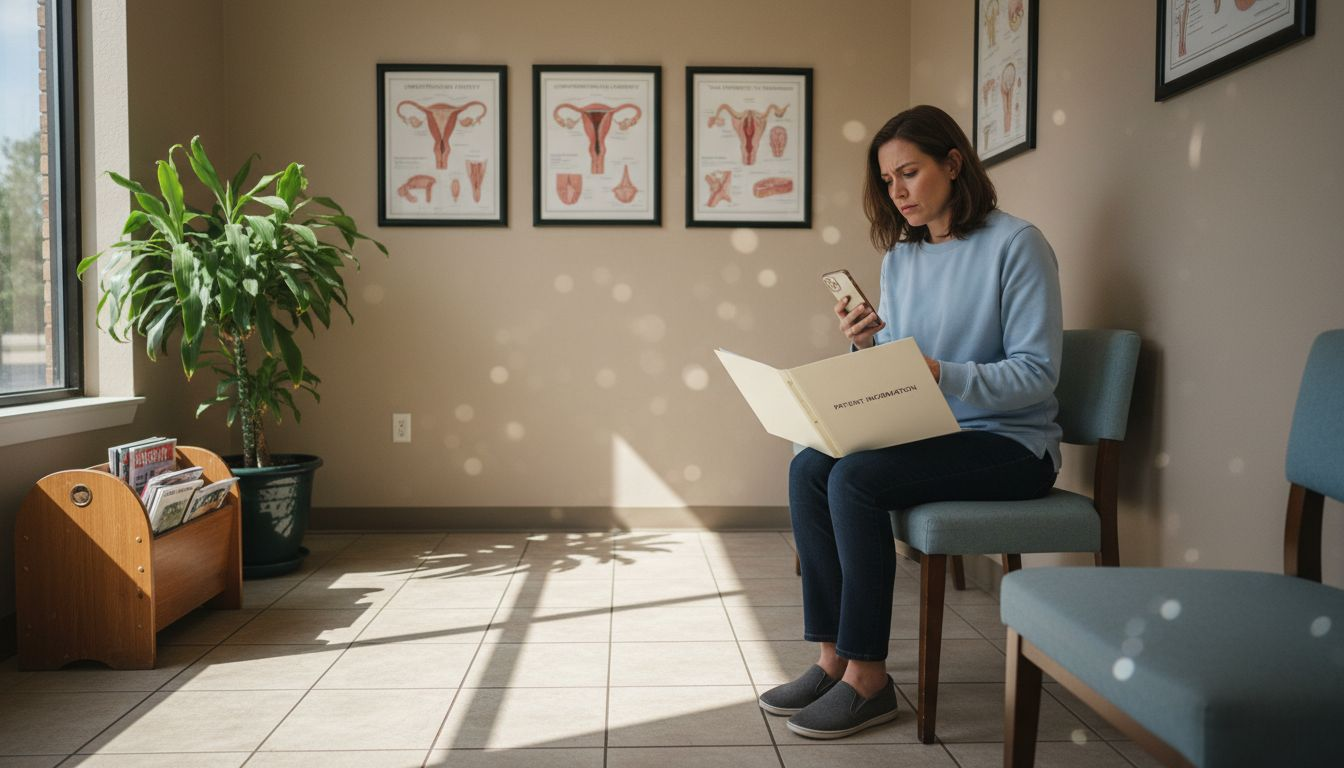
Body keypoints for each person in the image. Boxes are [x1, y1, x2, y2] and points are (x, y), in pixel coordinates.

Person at [759, 104, 1063, 739]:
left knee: (856, 480)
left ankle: (870, 681)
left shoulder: (1017, 244)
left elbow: (1037, 373)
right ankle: (833, 659)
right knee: (810, 466)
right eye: (887, 180)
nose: (897, 193)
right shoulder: (902, 258)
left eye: (910, 173)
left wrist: (939, 373)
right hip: (933, 432)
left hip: (1010, 445)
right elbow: (904, 365)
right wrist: (866, 347)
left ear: (953, 164)